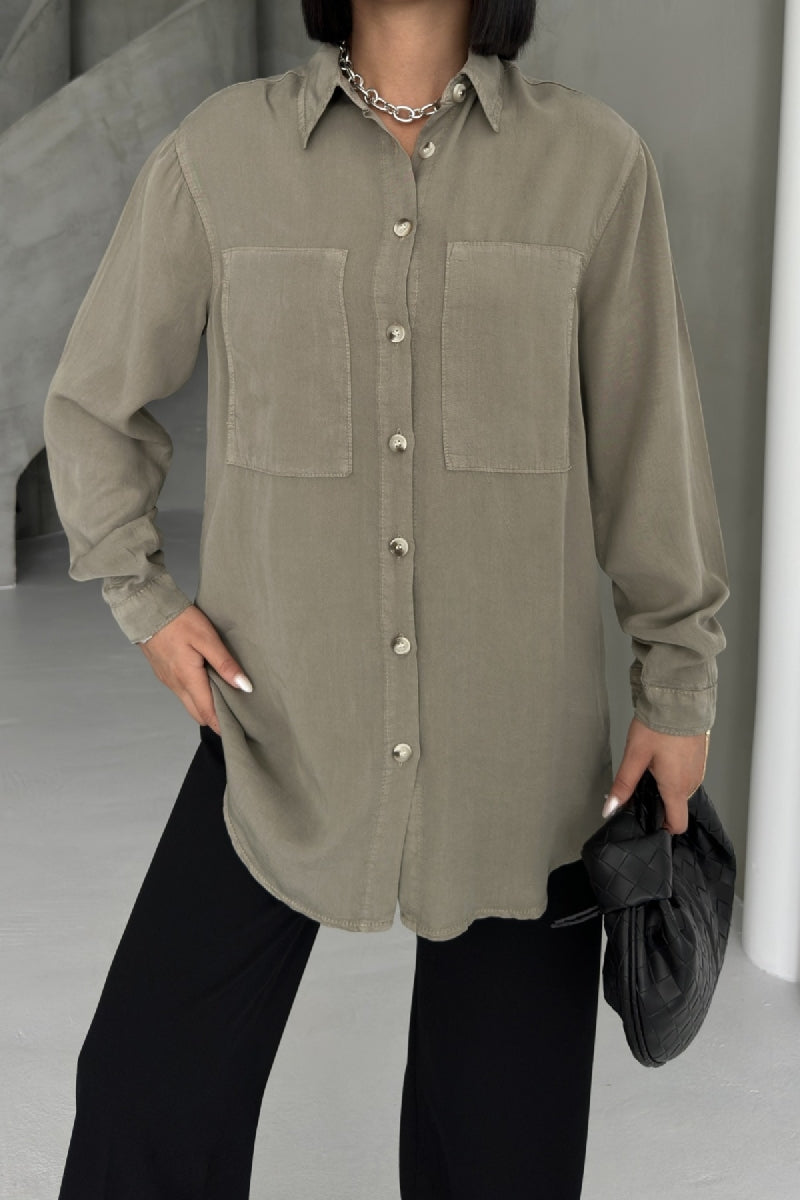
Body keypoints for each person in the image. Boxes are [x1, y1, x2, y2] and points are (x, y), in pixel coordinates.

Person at [43, 0, 729, 1196]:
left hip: (519, 773)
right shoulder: (221, 155)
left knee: (500, 1158)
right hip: (277, 740)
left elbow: (647, 452)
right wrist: (141, 598)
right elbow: (94, 404)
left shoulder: (594, 165)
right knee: (143, 1098)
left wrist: (675, 682)